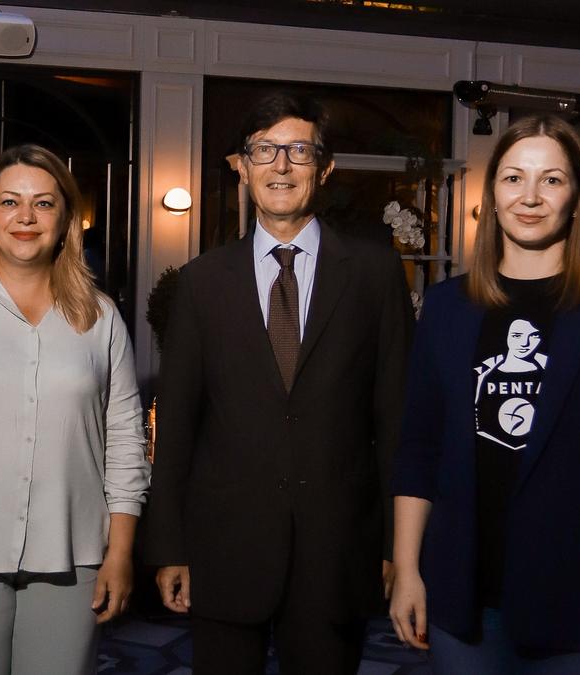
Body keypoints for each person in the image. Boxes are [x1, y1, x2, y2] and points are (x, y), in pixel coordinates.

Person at [389, 115, 580, 675]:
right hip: (460, 595)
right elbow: (418, 451)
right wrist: (407, 569)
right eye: (513, 178)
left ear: (577, 198)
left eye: (552, 179)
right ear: (493, 195)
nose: (530, 197)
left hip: (577, 598)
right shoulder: (446, 309)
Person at [144, 90, 414, 674]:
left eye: (299, 150)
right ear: (242, 167)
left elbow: (396, 420)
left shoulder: (375, 274)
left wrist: (398, 545)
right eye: (265, 150)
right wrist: (169, 546)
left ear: (325, 167)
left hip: (338, 548)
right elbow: (179, 426)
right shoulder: (201, 283)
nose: (282, 166)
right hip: (224, 546)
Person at [0, 144, 150, 675]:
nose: (25, 216)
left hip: (72, 556)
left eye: (43, 203)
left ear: (66, 221)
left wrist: (120, 552)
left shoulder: (101, 317)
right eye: (10, 202)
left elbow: (125, 439)